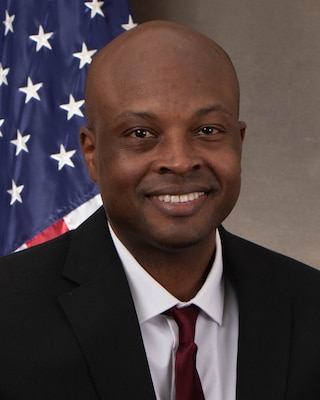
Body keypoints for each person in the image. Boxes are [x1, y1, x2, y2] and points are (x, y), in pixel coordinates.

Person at [0, 20, 320, 400]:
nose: (180, 161)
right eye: (141, 134)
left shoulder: (310, 306)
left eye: (207, 131)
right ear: (92, 154)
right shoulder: (8, 313)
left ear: (239, 141)